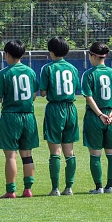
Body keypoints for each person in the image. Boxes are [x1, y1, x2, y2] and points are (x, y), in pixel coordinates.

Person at [0, 40, 39, 198]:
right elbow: (34, 95)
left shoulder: (4, 73)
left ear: (7, 54)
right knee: (27, 155)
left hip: (10, 117)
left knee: (11, 156)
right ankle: (28, 189)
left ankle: (11, 190)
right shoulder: (30, 72)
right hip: (28, 116)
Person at [80, 41, 112, 194]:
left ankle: (99, 187)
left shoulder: (89, 74)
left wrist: (100, 114)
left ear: (92, 56)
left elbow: (89, 98)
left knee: (95, 154)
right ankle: (110, 186)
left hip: (95, 117)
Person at [37, 37, 79, 196]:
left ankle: (55, 188)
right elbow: (76, 88)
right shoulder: (73, 69)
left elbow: (43, 92)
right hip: (70, 109)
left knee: (55, 151)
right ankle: (69, 187)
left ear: (51, 52)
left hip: (55, 109)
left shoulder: (48, 68)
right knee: (69, 151)